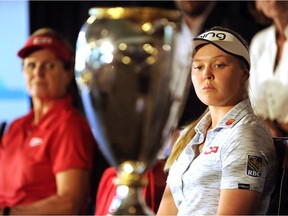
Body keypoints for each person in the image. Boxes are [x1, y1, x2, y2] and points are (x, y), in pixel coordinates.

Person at [157, 26, 277, 215]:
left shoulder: (246, 135)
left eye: (219, 65)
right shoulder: (188, 136)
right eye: (198, 67)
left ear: (244, 74)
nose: (206, 74)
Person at [0, 28, 96, 214]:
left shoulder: (69, 125)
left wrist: (7, 213)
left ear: (68, 74)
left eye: (49, 65)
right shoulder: (15, 126)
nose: (38, 73)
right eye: (31, 65)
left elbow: (69, 204)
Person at [248, 0, 288, 137]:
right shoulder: (260, 41)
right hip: (269, 136)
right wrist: (270, 129)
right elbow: (253, 99)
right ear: (256, 4)